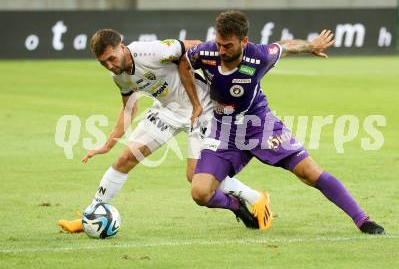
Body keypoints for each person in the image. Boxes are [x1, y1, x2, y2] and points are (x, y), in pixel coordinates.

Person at [179, 10, 385, 234]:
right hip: (224, 132)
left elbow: (285, 46)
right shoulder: (205, 52)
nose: (221, 50)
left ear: (244, 42)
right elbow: (184, 62)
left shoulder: (259, 56)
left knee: (309, 173)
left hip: (260, 126)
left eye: (227, 45)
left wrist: (310, 46)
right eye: (219, 43)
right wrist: (196, 103)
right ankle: (238, 206)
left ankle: (362, 220)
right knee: (200, 193)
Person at [58, 29, 271, 233]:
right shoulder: (119, 76)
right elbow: (128, 108)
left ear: (121, 47)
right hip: (167, 110)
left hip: (202, 109)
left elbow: (197, 46)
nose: (109, 65)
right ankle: (92, 213)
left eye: (111, 58)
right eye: (103, 63)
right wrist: (107, 145)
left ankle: (256, 198)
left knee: (195, 176)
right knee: (125, 158)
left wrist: (224, 69)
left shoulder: (151, 51)